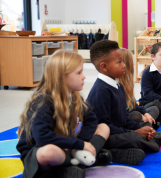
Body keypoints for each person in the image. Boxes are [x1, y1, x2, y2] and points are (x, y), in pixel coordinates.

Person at [16, 50, 111, 178]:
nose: (84, 76)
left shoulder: (75, 97)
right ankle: (81, 161)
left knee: (104, 127)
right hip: (40, 149)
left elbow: (91, 120)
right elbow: (43, 138)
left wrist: (78, 142)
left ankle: (78, 159)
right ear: (62, 77)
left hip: (68, 144)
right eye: (79, 73)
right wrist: (80, 145)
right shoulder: (42, 101)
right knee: (49, 152)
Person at [87, 40, 161, 165]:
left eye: (123, 61)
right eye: (119, 62)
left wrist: (138, 128)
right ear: (104, 67)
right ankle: (112, 152)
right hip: (107, 136)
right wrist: (135, 132)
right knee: (135, 138)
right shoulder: (100, 91)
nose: (124, 65)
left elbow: (124, 117)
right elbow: (104, 127)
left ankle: (146, 139)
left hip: (120, 130)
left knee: (141, 132)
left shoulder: (118, 86)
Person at [118, 48, 160, 130]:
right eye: (131, 62)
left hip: (133, 113)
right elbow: (122, 112)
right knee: (136, 115)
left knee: (154, 109)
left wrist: (145, 113)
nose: (133, 64)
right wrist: (141, 115)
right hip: (127, 117)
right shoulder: (118, 86)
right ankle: (147, 127)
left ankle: (146, 125)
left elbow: (134, 104)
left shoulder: (127, 84)